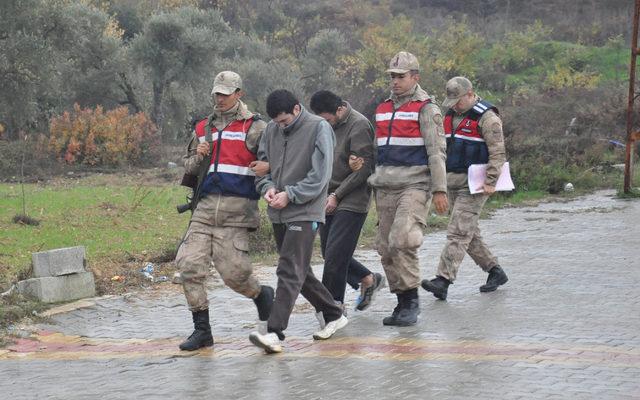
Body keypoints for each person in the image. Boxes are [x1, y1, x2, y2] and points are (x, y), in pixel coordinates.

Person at [175, 71, 274, 351]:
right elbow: (189, 167)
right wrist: (199, 156)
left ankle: (262, 295)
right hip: (204, 209)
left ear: (238, 93)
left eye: (225, 93)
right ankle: (202, 331)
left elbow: (275, 162)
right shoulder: (202, 128)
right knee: (189, 267)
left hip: (238, 210)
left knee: (234, 275)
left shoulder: (257, 128)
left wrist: (268, 168)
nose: (219, 99)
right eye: (216, 93)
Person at [249, 89, 348, 354]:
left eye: (284, 121)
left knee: (289, 269)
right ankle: (333, 313)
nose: (280, 127)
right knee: (299, 272)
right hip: (278, 210)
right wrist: (267, 187)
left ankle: (274, 331)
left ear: (296, 109)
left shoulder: (319, 128)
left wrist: (290, 195)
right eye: (276, 123)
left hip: (305, 210)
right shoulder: (271, 129)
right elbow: (263, 167)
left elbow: (320, 176)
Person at [367, 51, 448, 326]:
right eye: (392, 76)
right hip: (386, 185)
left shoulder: (427, 109)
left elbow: (436, 152)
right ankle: (401, 300)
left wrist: (439, 189)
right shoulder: (382, 109)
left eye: (400, 76)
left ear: (415, 77)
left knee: (402, 239)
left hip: (415, 184)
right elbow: (379, 150)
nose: (395, 81)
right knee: (385, 247)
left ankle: (412, 301)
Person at [421, 77, 508, 300]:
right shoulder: (449, 115)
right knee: (468, 233)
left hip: (475, 185)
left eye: (458, 101)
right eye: (452, 101)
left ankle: (443, 280)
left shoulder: (488, 118)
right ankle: (495, 271)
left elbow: (497, 153)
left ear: (471, 94)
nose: (455, 106)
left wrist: (490, 181)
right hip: (451, 181)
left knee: (458, 232)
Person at [309, 90, 385, 314]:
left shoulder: (359, 125)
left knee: (334, 257)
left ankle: (331, 306)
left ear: (339, 109)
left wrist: (337, 195)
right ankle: (367, 278)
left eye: (327, 119)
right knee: (330, 252)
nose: (325, 124)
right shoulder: (325, 126)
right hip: (328, 195)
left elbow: (363, 171)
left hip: (352, 198)